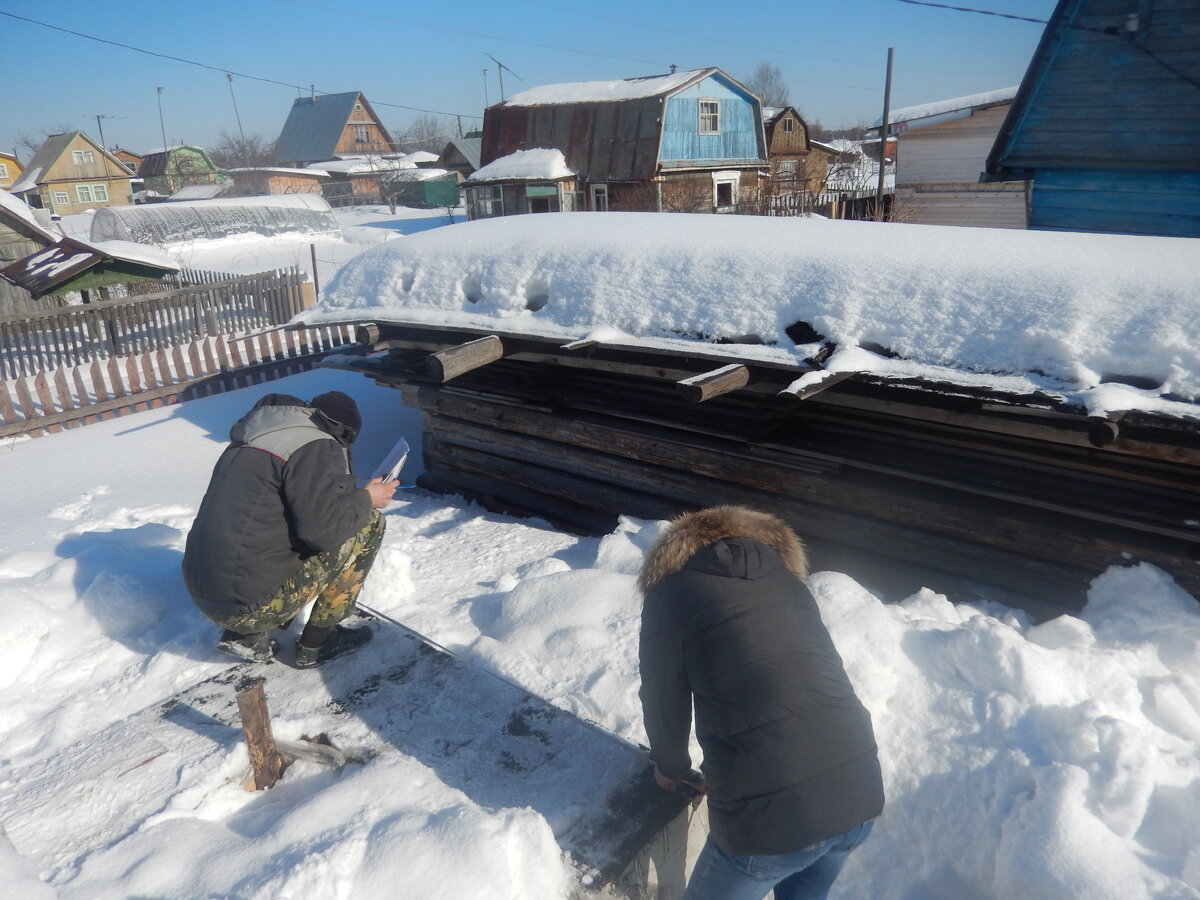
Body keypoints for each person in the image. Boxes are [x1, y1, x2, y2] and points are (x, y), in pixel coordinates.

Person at [638, 505, 884, 900]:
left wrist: (671, 769)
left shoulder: (672, 595)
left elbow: (663, 695)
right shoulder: (788, 584)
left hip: (773, 822)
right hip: (858, 792)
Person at [182, 390, 398, 667]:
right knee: (367, 524)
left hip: (205, 590)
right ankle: (319, 642)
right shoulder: (317, 445)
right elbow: (324, 532)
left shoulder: (256, 436)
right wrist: (368, 498)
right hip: (247, 606)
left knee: (266, 529)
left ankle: (244, 637)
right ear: (341, 432)